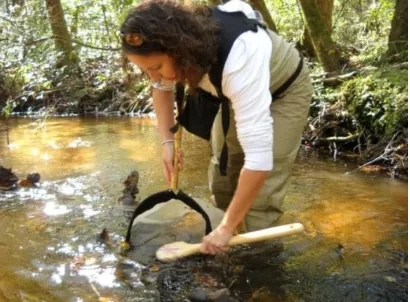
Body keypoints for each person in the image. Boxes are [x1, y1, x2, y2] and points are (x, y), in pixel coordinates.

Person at [120, 0, 314, 255]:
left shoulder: (239, 57)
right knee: (224, 171)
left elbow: (259, 161)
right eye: (147, 71)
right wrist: (167, 144)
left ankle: (259, 264)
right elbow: (161, 88)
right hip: (232, 93)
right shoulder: (177, 53)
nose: (154, 78)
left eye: (156, 68)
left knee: (262, 194)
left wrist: (226, 227)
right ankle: (225, 236)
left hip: (283, 91)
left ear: (181, 51)